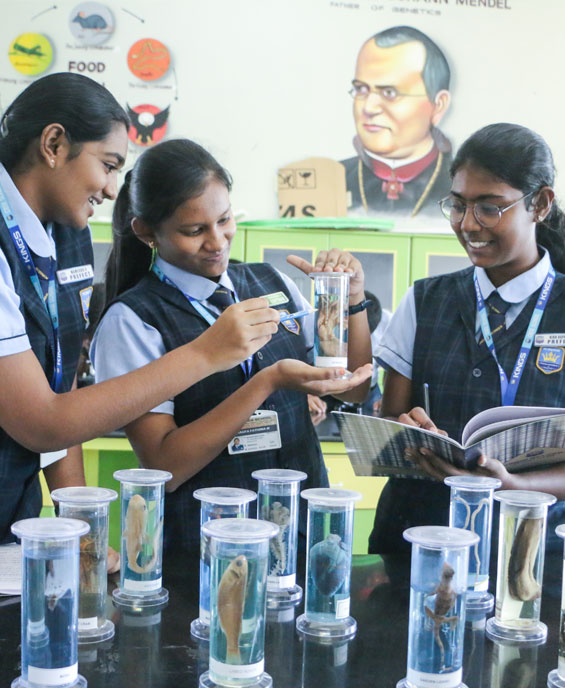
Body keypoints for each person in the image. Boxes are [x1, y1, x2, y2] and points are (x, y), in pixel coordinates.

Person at [0, 73, 359, 545]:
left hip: (16, 510)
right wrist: (217, 357)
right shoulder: (134, 316)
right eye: (108, 165)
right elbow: (47, 423)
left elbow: (60, 386)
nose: (110, 189)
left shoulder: (67, 234)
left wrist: (82, 533)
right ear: (53, 144)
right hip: (197, 539)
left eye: (225, 220)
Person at [92, 137, 373, 554]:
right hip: (207, 545)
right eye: (194, 231)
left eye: (224, 220)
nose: (217, 241)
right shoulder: (132, 321)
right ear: (147, 231)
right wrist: (267, 382)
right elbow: (163, 465)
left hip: (299, 535)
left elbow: (353, 388)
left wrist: (352, 300)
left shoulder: (271, 282)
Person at [369, 122, 565, 555]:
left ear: (540, 204)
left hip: (533, 551)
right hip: (419, 539)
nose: (468, 224)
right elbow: (390, 423)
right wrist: (407, 432)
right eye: (458, 205)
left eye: (489, 208)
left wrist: (512, 486)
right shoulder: (425, 299)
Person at [341, 26, 452, 218]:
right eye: (361, 89)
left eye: (389, 93)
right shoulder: (333, 178)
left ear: (438, 105)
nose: (369, 108)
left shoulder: (461, 185)